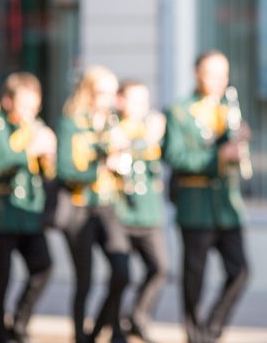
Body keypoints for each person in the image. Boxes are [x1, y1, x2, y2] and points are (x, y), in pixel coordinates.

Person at [163, 51, 249, 343]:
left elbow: (232, 150)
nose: (219, 81)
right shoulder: (178, 110)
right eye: (212, 74)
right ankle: (192, 333)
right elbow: (174, 155)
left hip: (226, 205)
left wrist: (240, 142)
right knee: (194, 276)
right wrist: (219, 156)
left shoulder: (229, 109)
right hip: (195, 203)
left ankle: (211, 329)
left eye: (223, 74)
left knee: (240, 271)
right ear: (196, 73)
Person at [56, 65, 132, 343]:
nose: (109, 99)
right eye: (103, 93)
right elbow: (65, 170)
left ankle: (104, 328)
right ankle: (80, 336)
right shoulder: (71, 123)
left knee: (122, 272)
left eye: (113, 93)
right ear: (88, 93)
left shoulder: (113, 124)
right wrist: (100, 166)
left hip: (108, 205)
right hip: (80, 206)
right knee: (84, 280)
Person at [0, 73, 55, 343]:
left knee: (43, 265)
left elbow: (47, 173)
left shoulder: (35, 126)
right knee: (0, 277)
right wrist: (29, 149)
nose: (29, 113)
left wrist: (49, 154)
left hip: (28, 210)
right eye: (23, 106)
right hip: (2, 211)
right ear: (8, 101)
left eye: (33, 106)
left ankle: (20, 320)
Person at [115, 80, 169, 343]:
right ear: (121, 101)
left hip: (149, 214)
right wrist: (147, 139)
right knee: (120, 274)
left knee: (160, 268)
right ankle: (115, 326)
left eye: (145, 102)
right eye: (135, 101)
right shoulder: (117, 128)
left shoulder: (150, 130)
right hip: (123, 213)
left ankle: (138, 315)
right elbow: (119, 151)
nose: (142, 108)